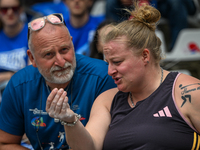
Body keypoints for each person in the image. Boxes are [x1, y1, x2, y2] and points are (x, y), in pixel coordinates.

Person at [46, 2, 200, 150]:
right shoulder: (107, 100)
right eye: (108, 63)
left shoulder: (188, 92)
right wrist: (69, 120)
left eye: (117, 62)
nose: (110, 71)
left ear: (145, 56)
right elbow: (88, 147)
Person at [0, 13, 116, 150]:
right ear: (32, 58)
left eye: (64, 49)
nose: (61, 62)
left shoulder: (103, 76)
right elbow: (5, 143)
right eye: (49, 54)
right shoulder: (19, 85)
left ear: (72, 44)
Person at [0, 0, 29, 102]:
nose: (9, 12)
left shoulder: (31, 34)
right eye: (4, 9)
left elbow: (31, 74)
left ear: (21, 10)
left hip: (24, 95)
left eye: (14, 8)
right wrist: (11, 75)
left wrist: (8, 76)